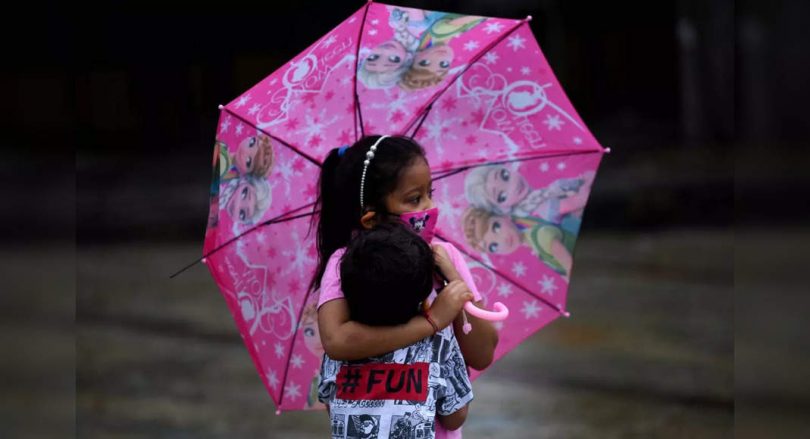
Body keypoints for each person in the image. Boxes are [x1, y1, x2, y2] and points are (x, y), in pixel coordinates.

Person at [310, 135, 499, 438]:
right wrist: (433, 321)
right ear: (371, 219)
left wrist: (454, 281)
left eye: (429, 193)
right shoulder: (344, 263)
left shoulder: (444, 257)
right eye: (414, 199)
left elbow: (482, 354)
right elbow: (336, 339)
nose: (430, 206)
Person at [319, 221, 474, 438]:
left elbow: (331, 406)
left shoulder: (341, 349)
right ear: (425, 301)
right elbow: (454, 417)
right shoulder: (439, 340)